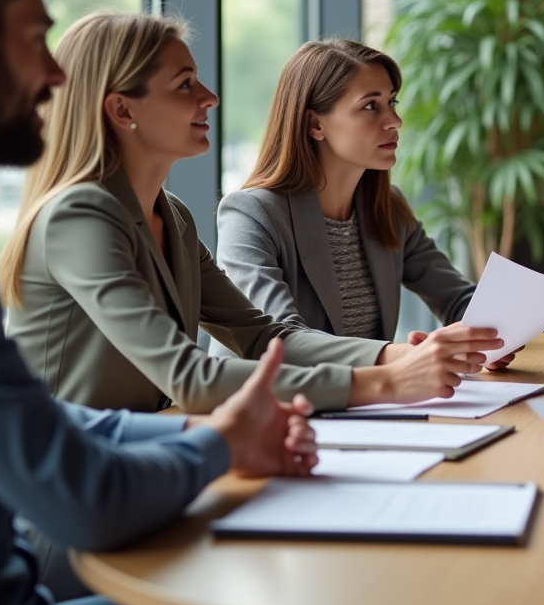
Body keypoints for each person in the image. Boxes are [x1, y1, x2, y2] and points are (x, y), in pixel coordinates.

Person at [0, 0, 318, 605]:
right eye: (34, 40)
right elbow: (80, 499)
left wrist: (196, 434)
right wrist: (219, 442)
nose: (55, 75)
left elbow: (45, 414)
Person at [0, 11, 503, 416]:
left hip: (146, 452)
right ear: (123, 111)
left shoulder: (173, 217)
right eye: (185, 84)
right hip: (68, 484)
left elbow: (262, 336)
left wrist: (401, 357)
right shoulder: (79, 217)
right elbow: (190, 377)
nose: (210, 98)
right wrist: (388, 379)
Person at [212, 38, 514, 369]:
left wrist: (491, 337)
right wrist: (403, 355)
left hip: (366, 399)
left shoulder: (387, 207)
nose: (394, 121)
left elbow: (457, 298)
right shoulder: (250, 214)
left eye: (391, 102)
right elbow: (277, 342)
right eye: (370, 106)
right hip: (269, 399)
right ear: (315, 125)